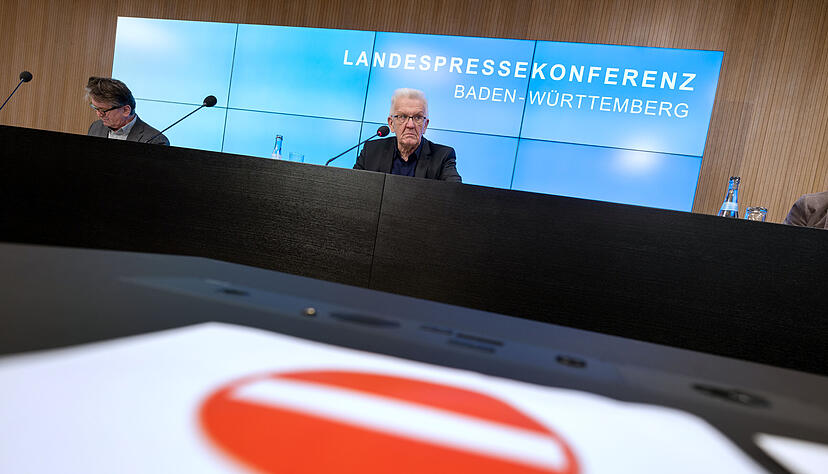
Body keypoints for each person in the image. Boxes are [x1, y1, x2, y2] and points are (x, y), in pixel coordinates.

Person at [354, 88, 461, 182]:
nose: (410, 125)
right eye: (402, 117)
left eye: (418, 117)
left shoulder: (442, 156)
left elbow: (455, 195)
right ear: (391, 123)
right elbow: (352, 187)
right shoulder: (371, 151)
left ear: (425, 125)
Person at [85, 77, 169, 145]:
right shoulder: (95, 127)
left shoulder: (156, 140)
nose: (98, 114)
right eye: (96, 108)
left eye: (103, 110)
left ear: (126, 110)